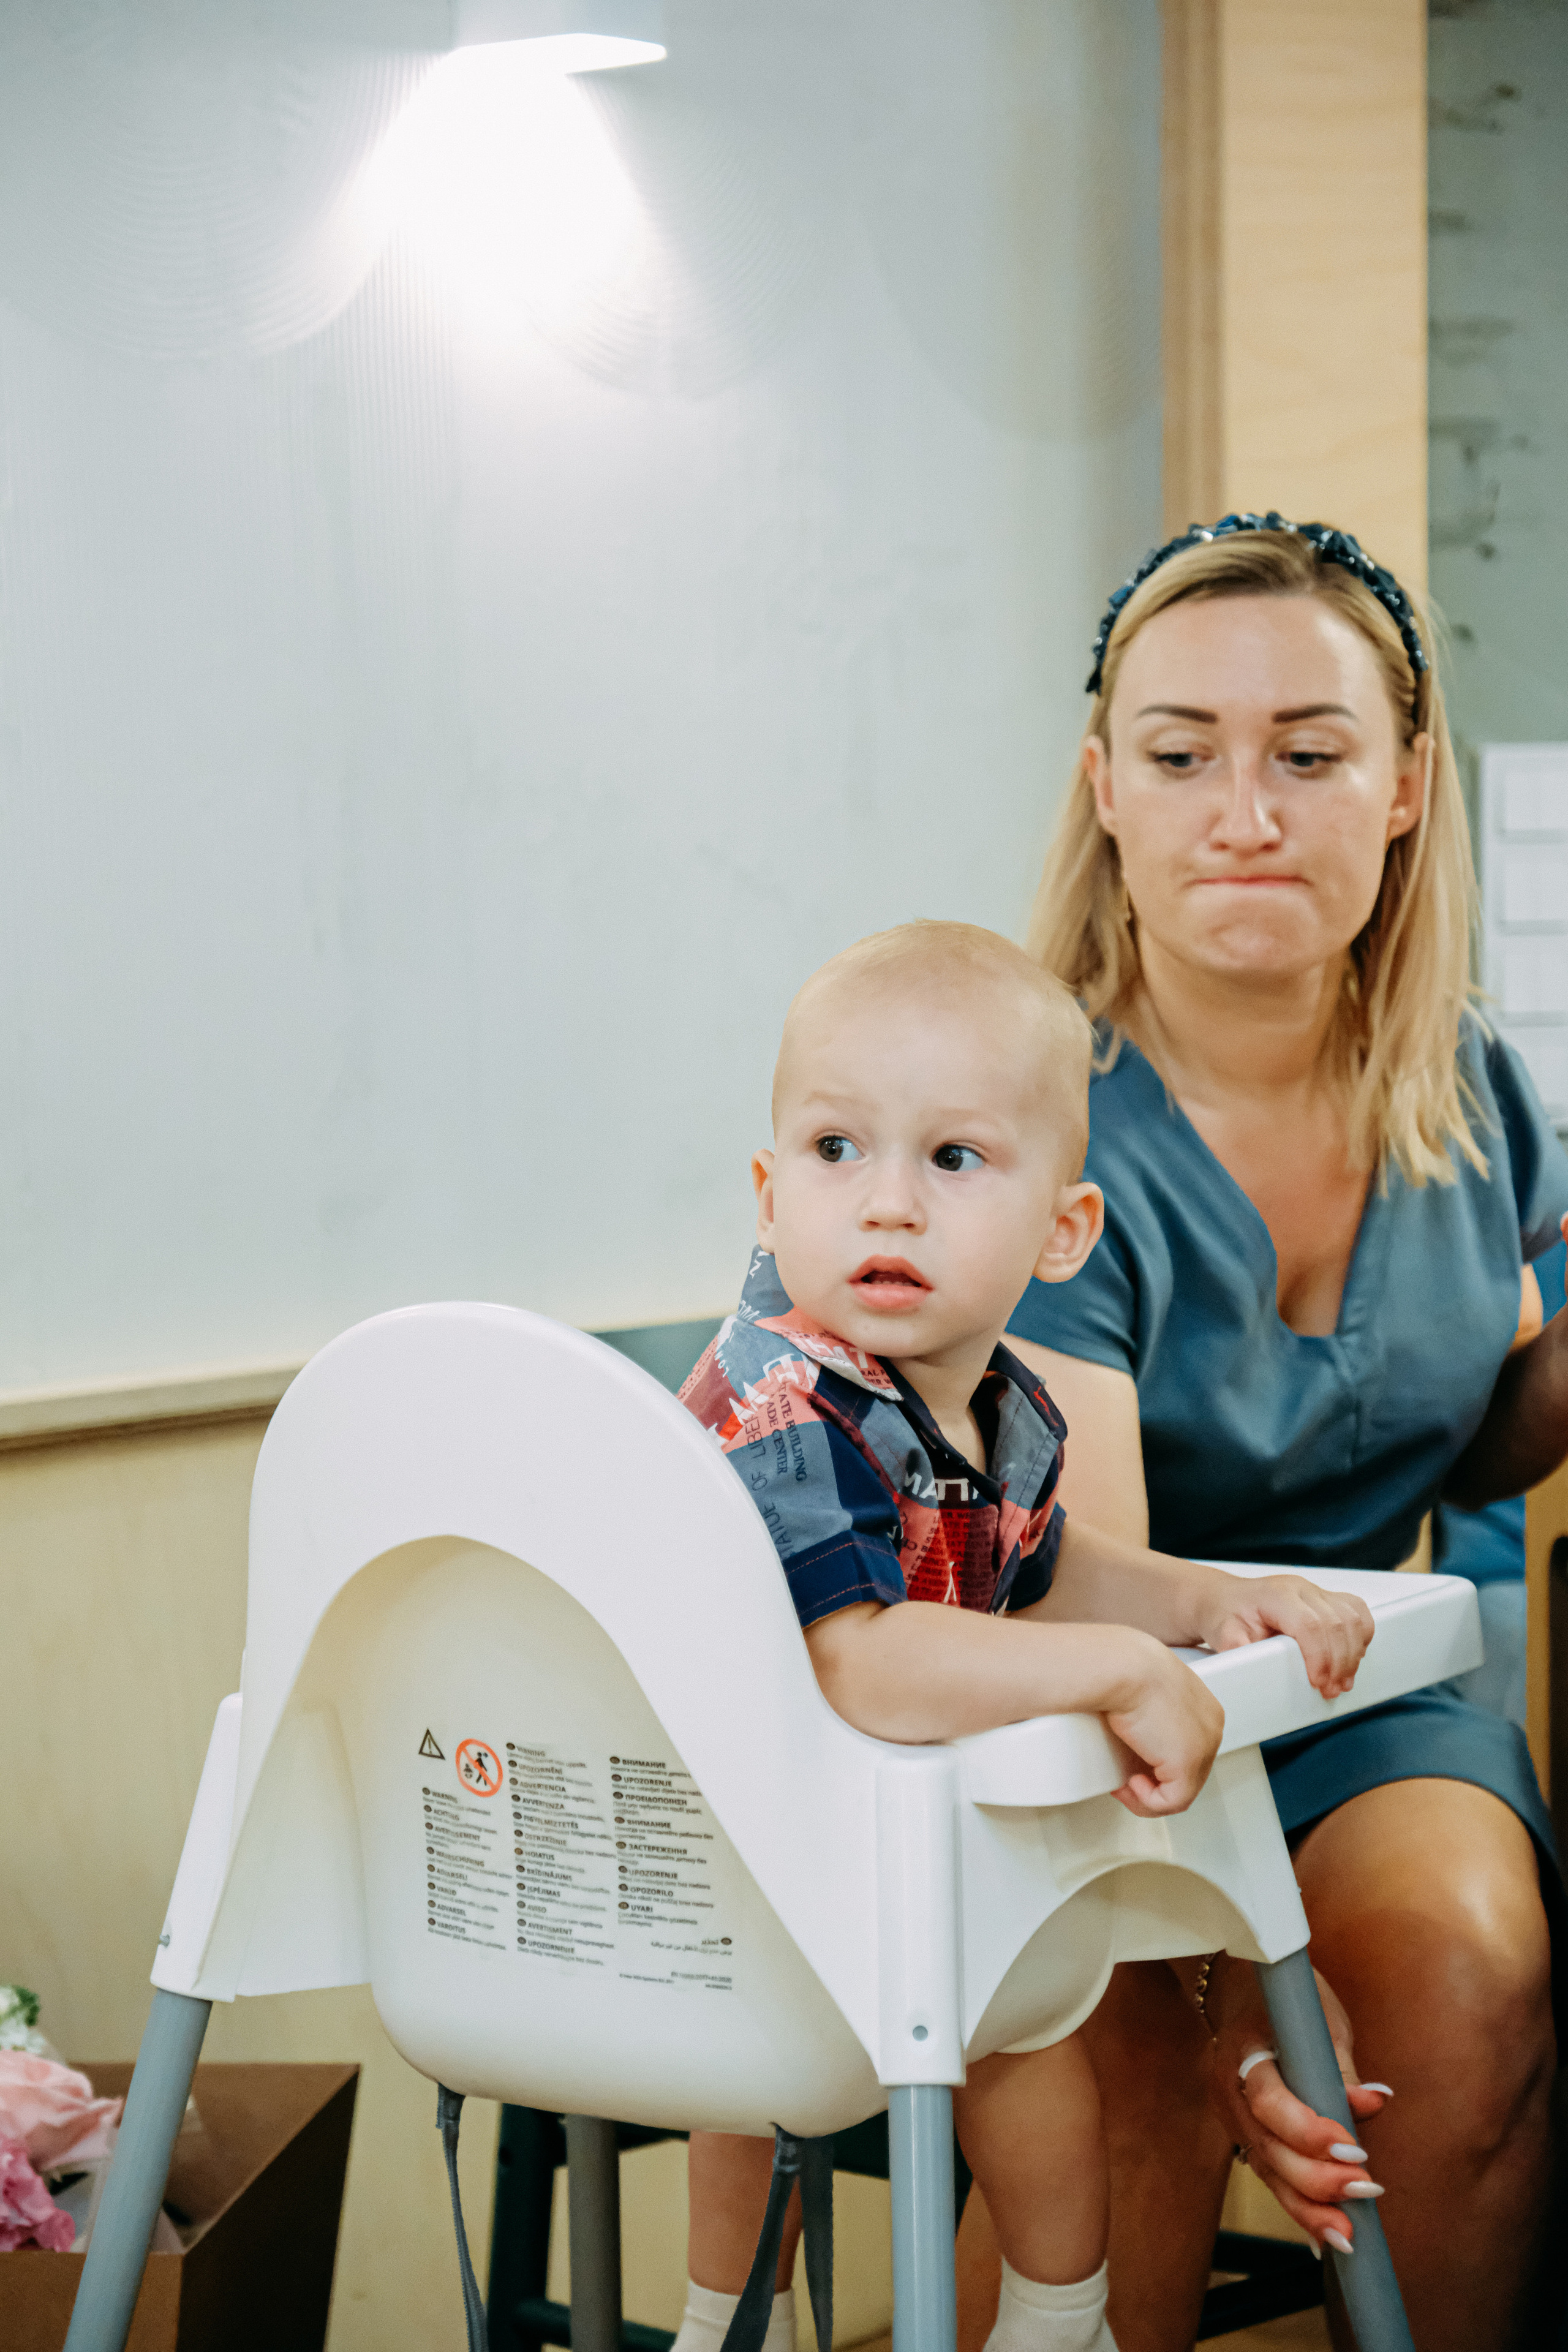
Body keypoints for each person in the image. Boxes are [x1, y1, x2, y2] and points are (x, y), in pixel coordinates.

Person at [959, 513, 1568, 2352]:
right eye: (1183, 755)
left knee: (1471, 1981)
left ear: (1401, 787)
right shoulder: (1027, 1117)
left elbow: (1477, 1448)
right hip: (1070, 1732)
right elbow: (1100, 1607)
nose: (1248, 808)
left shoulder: (1465, 1082)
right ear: (1107, 794)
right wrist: (1247, 2014)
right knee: (1139, 2058)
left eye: (1308, 753)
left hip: (1363, 1696)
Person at [671, 921, 1376, 2352]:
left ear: (1060, 1232)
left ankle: (1060, 2318)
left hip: (899, 1857)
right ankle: (714, 2326)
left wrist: (1194, 1603)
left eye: (951, 1160)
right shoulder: (780, 1398)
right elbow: (860, 1657)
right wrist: (1122, 1672)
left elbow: (1039, 1567)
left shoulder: (995, 1406)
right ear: (764, 1193)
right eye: (833, 1151)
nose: (886, 1207)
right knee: (759, 2085)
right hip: (729, 1882)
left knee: (1033, 2023)